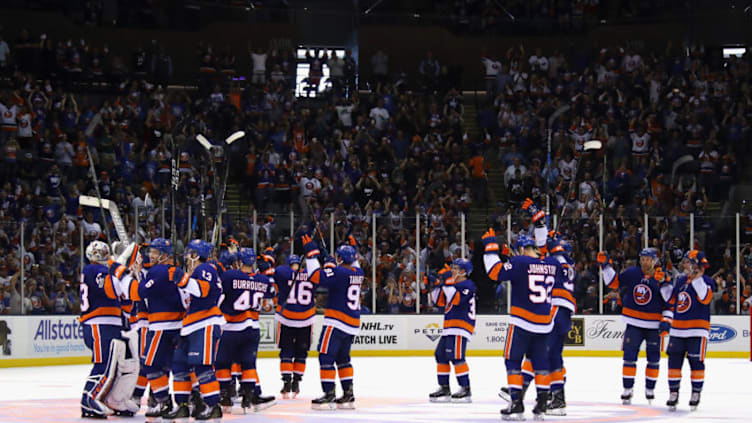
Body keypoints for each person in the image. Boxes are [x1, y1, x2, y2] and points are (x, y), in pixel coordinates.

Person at [483, 230, 563, 420]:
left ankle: (517, 403)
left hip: (521, 322)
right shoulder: (553, 263)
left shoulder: (519, 262)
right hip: (544, 323)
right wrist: (553, 245)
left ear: (520, 249)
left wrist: (490, 248)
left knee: (512, 361)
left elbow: (495, 272)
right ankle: (542, 402)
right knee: (540, 363)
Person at [597, 247, 672, 404]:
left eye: (648, 259)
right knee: (629, 358)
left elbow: (670, 301)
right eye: (643, 259)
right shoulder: (632, 273)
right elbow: (613, 282)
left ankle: (650, 389)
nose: (645, 262)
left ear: (655, 261)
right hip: (633, 323)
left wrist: (667, 319)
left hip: (654, 326)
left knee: (653, 359)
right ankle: (627, 389)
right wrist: (606, 267)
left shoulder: (661, 276)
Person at [166, 240, 225, 421]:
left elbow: (202, 290)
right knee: (179, 365)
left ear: (196, 254)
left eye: (189, 252)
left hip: (205, 323)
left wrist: (181, 279)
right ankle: (183, 405)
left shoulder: (205, 269)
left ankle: (213, 406)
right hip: (190, 326)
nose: (186, 256)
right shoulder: (196, 272)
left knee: (202, 367)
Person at [303, 235, 364, 410]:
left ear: (340, 259)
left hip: (336, 321)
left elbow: (315, 276)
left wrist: (311, 255)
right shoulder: (358, 272)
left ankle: (329, 393)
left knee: (326, 356)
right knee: (343, 358)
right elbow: (352, 264)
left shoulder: (339, 272)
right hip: (351, 323)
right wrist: (331, 263)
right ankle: (348, 393)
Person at [216, 248, 276, 413]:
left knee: (222, 363)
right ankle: (248, 398)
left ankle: (225, 396)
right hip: (253, 328)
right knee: (249, 364)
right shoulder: (263, 279)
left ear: (240, 261)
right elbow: (272, 291)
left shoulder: (230, 276)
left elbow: (218, 293)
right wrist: (268, 271)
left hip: (231, 328)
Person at [665, 250, 714, 412]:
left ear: (695, 264)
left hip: (697, 330)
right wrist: (663, 284)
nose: (684, 264)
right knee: (673, 362)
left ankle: (696, 393)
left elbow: (705, 298)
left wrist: (697, 278)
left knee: (696, 362)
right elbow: (671, 301)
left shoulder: (707, 280)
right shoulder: (680, 281)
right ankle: (673, 393)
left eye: (688, 261)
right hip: (678, 329)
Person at [79, 240, 120, 418]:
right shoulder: (95, 270)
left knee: (110, 364)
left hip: (104, 322)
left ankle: (99, 396)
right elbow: (111, 289)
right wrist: (118, 267)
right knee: (103, 363)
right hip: (98, 322)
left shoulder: (93, 270)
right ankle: (89, 399)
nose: (102, 256)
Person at [428, 260, 476, 403]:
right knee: (440, 355)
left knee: (456, 357)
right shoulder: (453, 285)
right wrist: (436, 285)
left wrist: (447, 282)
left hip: (461, 325)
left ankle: (465, 388)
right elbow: (439, 301)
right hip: (449, 326)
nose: (453, 270)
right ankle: (444, 387)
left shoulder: (468, 285)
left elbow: (456, 300)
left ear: (464, 271)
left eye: (456, 268)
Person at [274, 254, 316, 398]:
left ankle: (286, 382)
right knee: (301, 353)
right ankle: (297, 381)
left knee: (286, 351)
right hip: (306, 319)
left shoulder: (283, 273)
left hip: (286, 318)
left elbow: (278, 271)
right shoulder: (310, 274)